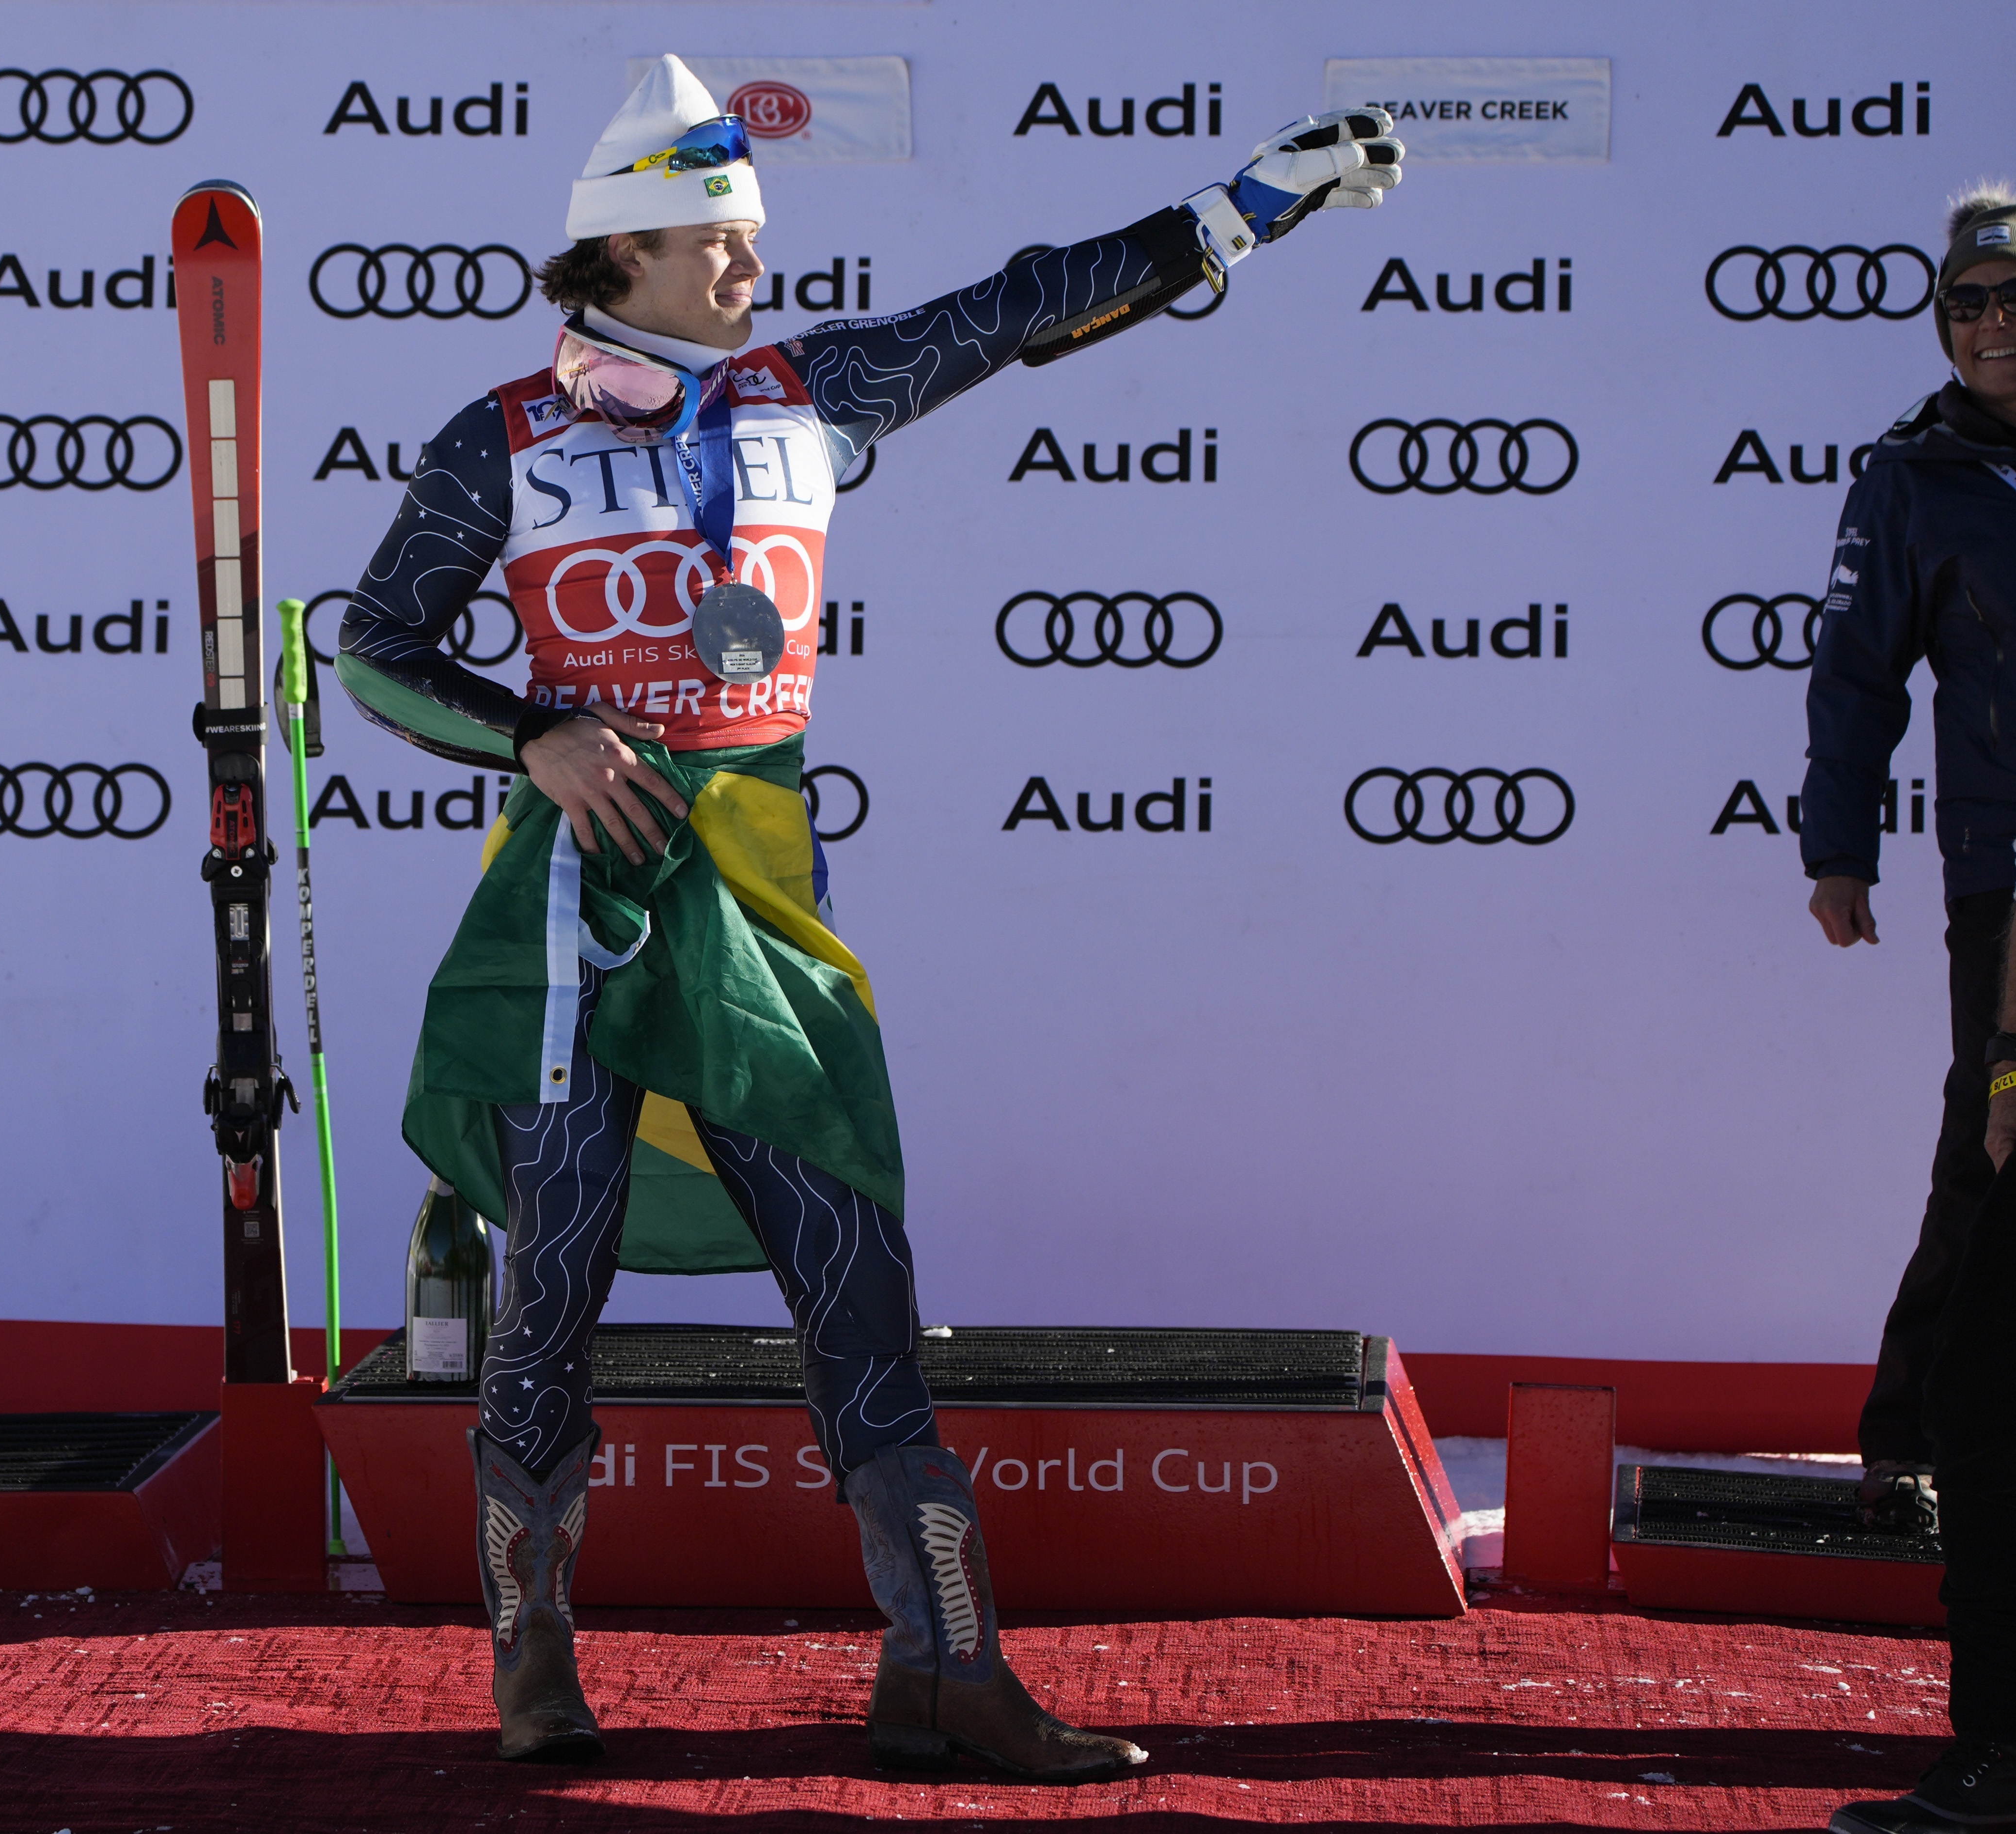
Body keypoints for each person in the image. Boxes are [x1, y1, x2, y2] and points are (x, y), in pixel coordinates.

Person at [336, 54, 1402, 1780]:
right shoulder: (505, 436)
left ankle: (946, 1668)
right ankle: (533, 1657)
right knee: (556, 1283)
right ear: (619, 254)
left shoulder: (807, 393)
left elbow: (1015, 309)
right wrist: (530, 727)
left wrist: (1240, 210)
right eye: (717, 237)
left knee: (856, 1272)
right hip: (571, 912)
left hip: (757, 899)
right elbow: (374, 646)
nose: (752, 261)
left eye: (754, 232)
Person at [1822, 189, 2016, 1834]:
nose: (1999, 325)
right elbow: (1857, 668)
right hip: (2005, 898)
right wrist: (1837, 842)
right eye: (1972, 302)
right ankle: (1918, 1427)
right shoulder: (1913, 474)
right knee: (1990, 1150)